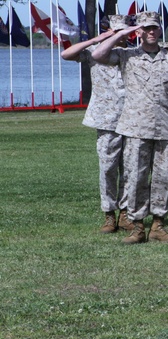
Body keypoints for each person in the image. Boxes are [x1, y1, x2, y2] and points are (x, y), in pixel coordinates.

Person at [92, 11, 168, 244]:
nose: (151, 32)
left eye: (154, 27)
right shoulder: (127, 56)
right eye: (146, 28)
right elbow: (98, 54)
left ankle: (158, 225)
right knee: (136, 179)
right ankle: (137, 226)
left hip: (165, 128)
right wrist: (121, 34)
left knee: (163, 179)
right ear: (139, 32)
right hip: (135, 129)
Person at [61, 14, 134, 234]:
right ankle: (109, 215)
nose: (121, 37)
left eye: (124, 32)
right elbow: (67, 54)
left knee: (131, 169)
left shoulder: (133, 53)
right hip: (106, 118)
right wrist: (97, 39)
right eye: (117, 32)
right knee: (108, 168)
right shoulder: (94, 52)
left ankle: (126, 214)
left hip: (132, 118)